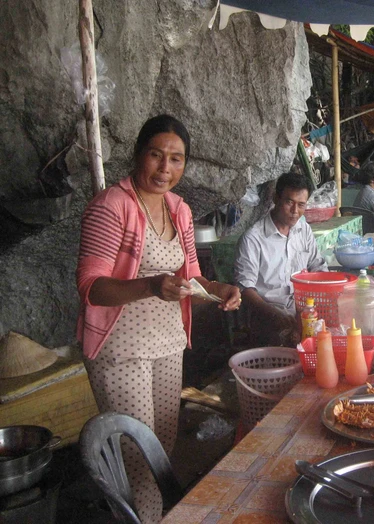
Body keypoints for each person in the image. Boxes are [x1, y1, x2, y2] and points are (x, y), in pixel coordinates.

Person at [76, 114, 241, 523]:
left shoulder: (179, 209)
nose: (165, 168)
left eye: (176, 159)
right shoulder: (111, 206)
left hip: (168, 342)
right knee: (136, 453)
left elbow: (190, 274)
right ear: (138, 155)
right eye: (156, 155)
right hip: (122, 349)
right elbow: (91, 286)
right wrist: (149, 286)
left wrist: (217, 289)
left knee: (162, 447)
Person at [234, 172, 327, 347]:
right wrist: (276, 315)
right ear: (276, 198)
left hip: (304, 309)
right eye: (289, 202)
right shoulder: (254, 238)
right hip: (268, 315)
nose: (295, 211)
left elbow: (317, 265)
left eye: (301, 205)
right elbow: (245, 289)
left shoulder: (303, 228)